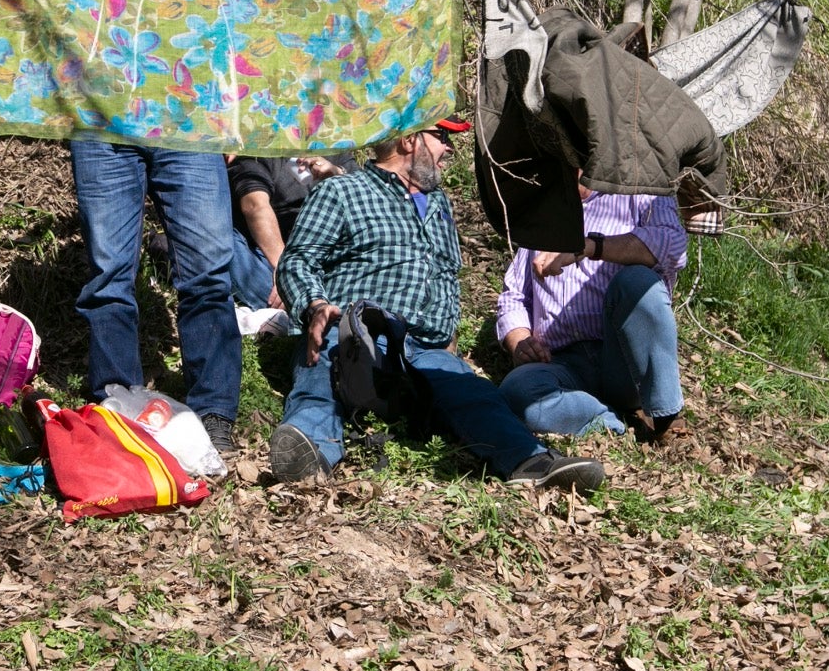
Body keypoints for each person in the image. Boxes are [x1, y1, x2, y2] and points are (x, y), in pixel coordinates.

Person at [269, 118, 606, 491]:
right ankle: (308, 450)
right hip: (359, 330)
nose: (450, 148)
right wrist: (315, 305)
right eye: (442, 137)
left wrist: (450, 336)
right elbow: (298, 260)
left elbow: (446, 276)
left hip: (426, 346)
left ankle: (533, 461)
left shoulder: (440, 205)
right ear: (410, 140)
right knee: (323, 367)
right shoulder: (343, 192)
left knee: (473, 392)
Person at [67, 0, 241, 460]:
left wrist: (230, 116)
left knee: (208, 268)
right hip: (107, 116)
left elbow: (228, 36)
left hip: (189, 121)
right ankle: (116, 405)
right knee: (111, 271)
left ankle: (215, 415)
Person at [496, 190, 688, 444]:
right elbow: (515, 296)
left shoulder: (641, 189)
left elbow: (672, 246)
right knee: (518, 391)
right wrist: (520, 341)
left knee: (637, 281)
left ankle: (666, 417)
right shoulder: (545, 207)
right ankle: (612, 421)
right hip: (562, 364)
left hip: (624, 359)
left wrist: (590, 246)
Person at [227, 154, 357, 311]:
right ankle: (306, 310)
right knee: (221, 243)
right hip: (277, 256)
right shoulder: (256, 155)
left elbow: (373, 199)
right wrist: (286, 270)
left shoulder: (334, 147)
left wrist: (337, 174)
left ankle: (310, 309)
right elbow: (255, 206)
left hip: (333, 256)